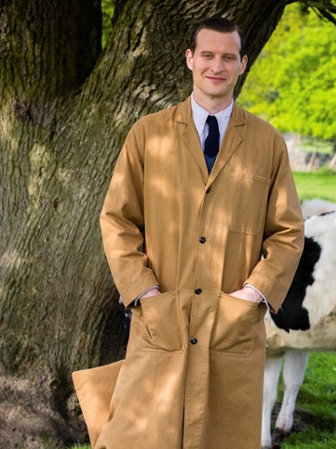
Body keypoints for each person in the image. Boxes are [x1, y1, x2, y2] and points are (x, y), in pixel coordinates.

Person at [86, 17, 304, 449]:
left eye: (227, 57)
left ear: (243, 64)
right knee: (142, 434)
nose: (216, 66)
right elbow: (117, 220)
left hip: (231, 325)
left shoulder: (268, 142)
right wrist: (144, 292)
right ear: (190, 59)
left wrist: (253, 295)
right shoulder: (147, 135)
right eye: (207, 55)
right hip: (161, 316)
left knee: (222, 435)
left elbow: (287, 232)